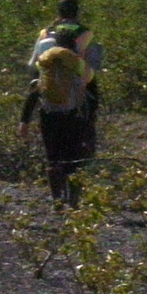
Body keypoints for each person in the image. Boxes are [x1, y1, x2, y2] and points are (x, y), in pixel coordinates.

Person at [22, 24, 93, 205]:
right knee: (74, 157)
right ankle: (73, 199)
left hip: (49, 115)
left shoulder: (45, 62)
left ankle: (57, 199)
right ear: (74, 44)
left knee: (53, 157)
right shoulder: (76, 62)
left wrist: (24, 121)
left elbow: (35, 91)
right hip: (73, 116)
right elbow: (90, 90)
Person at [30, 0, 104, 165]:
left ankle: (54, 174)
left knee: (52, 147)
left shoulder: (45, 34)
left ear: (59, 13)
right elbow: (93, 68)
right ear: (77, 13)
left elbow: (32, 65)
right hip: (79, 91)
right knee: (85, 128)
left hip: (48, 94)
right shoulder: (86, 34)